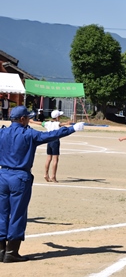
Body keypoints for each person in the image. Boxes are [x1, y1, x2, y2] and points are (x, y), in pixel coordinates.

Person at [0, 106, 84, 263]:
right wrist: (72, 128)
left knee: (2, 213)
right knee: (18, 214)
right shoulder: (28, 134)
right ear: (23, 119)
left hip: (3, 175)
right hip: (19, 177)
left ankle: (1, 251)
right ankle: (11, 252)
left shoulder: (2, 132)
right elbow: (51, 135)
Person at [29, 110, 73, 183]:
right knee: (55, 159)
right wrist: (68, 123)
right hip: (55, 141)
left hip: (49, 140)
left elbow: (40, 123)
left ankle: (46, 174)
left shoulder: (48, 123)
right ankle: (53, 176)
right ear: (57, 117)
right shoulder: (57, 123)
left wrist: (32, 121)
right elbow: (62, 124)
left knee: (48, 158)